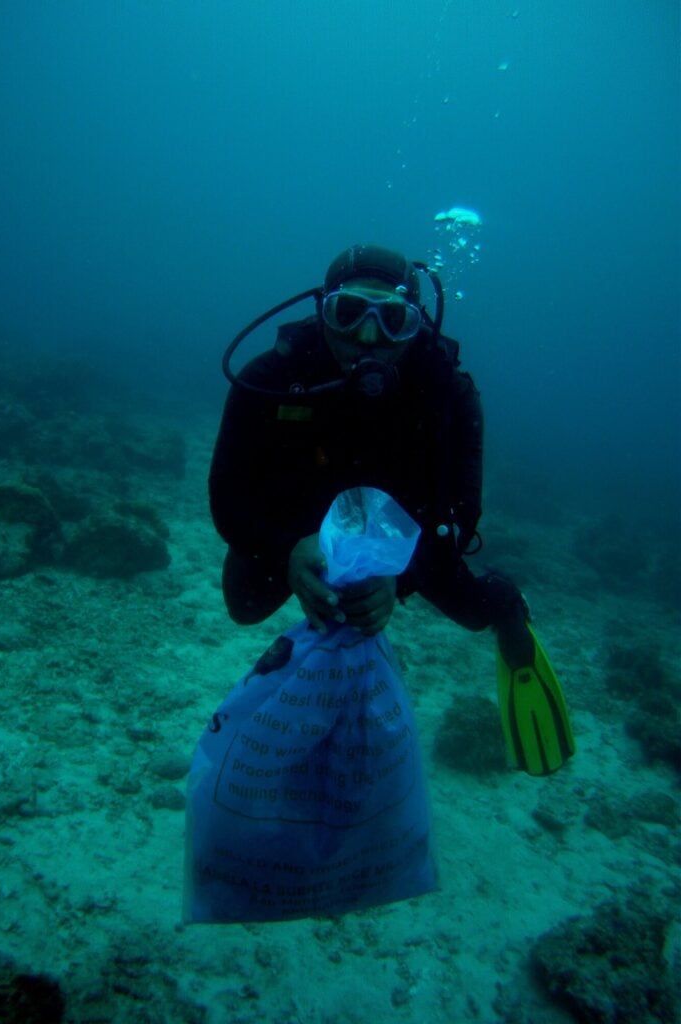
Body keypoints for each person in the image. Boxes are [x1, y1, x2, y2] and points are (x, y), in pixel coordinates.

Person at [209, 243, 574, 775]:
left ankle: (507, 606)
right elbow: (227, 498)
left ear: (415, 325)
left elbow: (460, 510)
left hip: (403, 531)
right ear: (322, 311)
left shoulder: (448, 392)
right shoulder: (268, 378)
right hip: (301, 522)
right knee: (243, 601)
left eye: (393, 320)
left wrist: (400, 572)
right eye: (349, 313)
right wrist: (287, 548)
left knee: (473, 613)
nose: (367, 337)